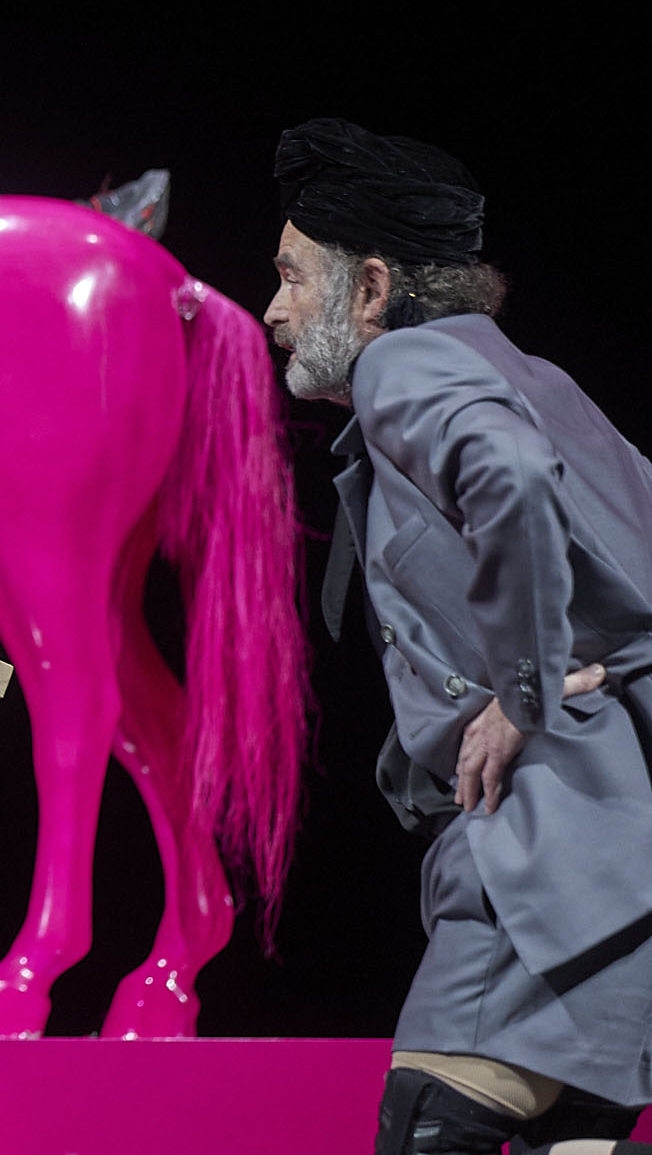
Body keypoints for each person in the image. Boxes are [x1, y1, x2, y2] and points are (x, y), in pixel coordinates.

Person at [262, 117, 652, 1155]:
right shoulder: (548, 385)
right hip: (624, 856)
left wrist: (525, 689)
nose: (273, 310)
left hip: (556, 851)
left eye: (293, 277)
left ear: (373, 288)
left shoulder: (409, 364)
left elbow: (509, 478)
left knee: (433, 1127)